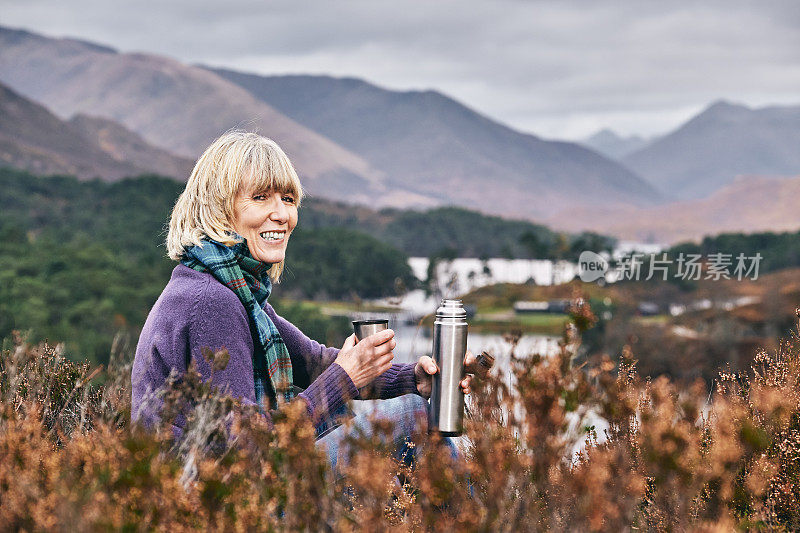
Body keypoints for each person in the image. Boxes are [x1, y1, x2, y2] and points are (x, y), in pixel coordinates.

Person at [131, 131, 473, 469]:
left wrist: (413, 378)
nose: (282, 214)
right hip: (210, 503)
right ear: (219, 208)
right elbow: (245, 445)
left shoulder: (234, 292)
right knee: (413, 417)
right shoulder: (211, 302)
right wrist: (344, 377)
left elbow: (313, 361)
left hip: (220, 488)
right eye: (261, 197)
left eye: (289, 199)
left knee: (407, 412)